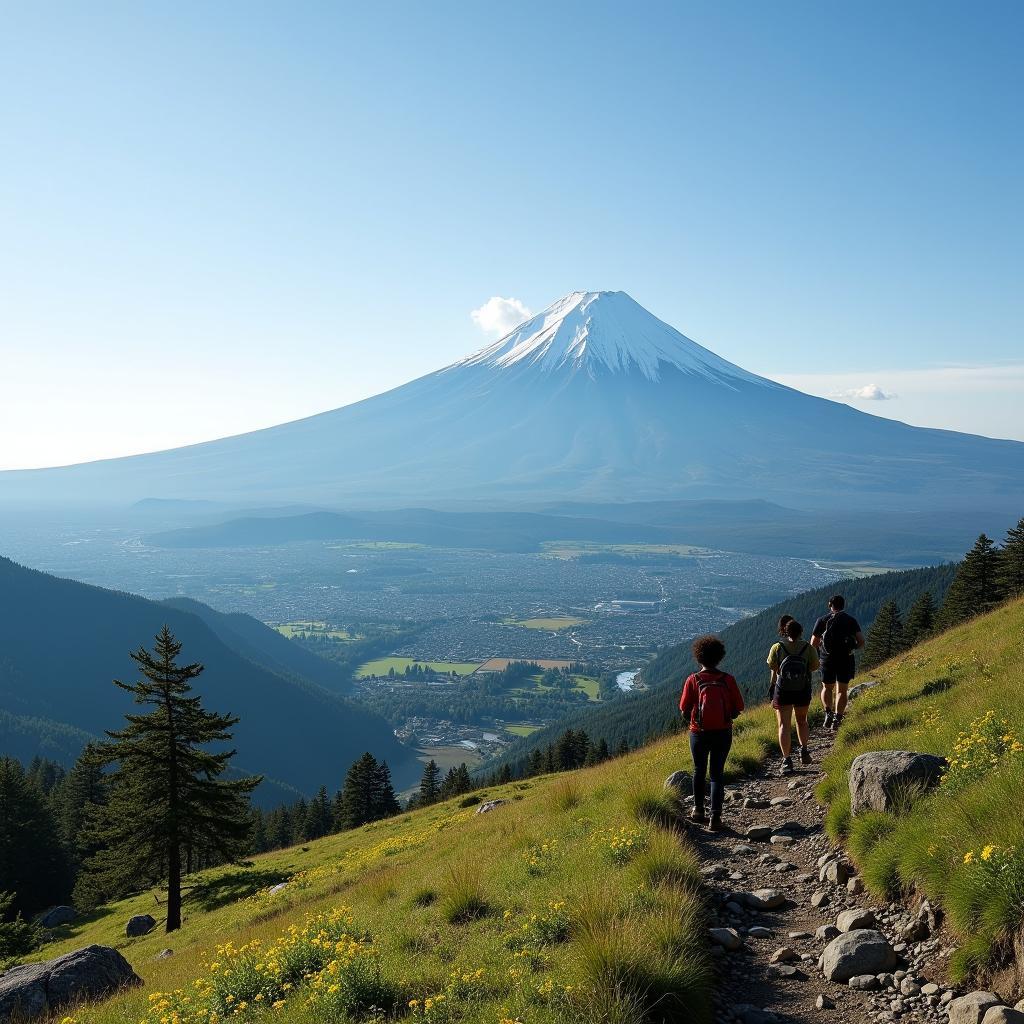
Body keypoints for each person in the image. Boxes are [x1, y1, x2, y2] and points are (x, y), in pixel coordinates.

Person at [679, 634, 744, 832]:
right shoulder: (727, 679)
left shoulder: (693, 679)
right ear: (719, 657)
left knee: (699, 770)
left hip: (698, 732)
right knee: (717, 774)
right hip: (723, 733)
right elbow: (738, 707)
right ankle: (715, 817)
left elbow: (684, 709)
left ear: (699, 657)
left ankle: (698, 811)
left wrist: (694, 720)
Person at [767, 619, 819, 775]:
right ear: (801, 632)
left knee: (784, 725)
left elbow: (773, 666)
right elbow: (815, 666)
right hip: (802, 689)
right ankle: (804, 750)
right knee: (802, 720)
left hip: (783, 690)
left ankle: (786, 760)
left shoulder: (777, 647)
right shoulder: (808, 648)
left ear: (785, 631)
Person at [810, 595, 864, 732]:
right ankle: (838, 718)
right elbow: (861, 641)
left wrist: (819, 654)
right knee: (842, 690)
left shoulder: (822, 620)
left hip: (827, 658)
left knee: (827, 688)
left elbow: (813, 644)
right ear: (843, 605)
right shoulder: (851, 620)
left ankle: (828, 712)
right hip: (845, 658)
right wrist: (852, 648)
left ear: (830, 605)